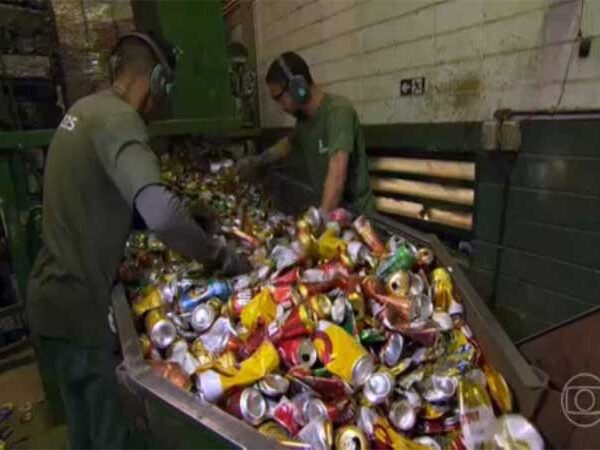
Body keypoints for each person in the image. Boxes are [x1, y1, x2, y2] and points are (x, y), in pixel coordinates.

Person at [26, 32, 249, 449]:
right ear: (160, 80)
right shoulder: (120, 119)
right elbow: (161, 214)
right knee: (113, 436)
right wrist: (218, 254)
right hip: (83, 309)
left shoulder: (84, 110)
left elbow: (95, 199)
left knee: (84, 433)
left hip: (51, 302)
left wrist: (181, 217)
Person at [236, 51, 375, 214]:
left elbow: (337, 174)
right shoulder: (305, 121)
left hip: (357, 219)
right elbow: (287, 144)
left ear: (298, 87)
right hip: (333, 214)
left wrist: (321, 220)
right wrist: (259, 161)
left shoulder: (338, 113)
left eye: (280, 98)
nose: (281, 106)